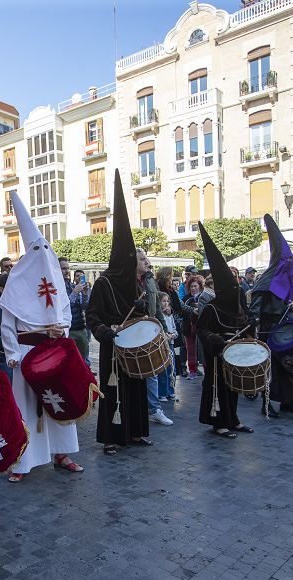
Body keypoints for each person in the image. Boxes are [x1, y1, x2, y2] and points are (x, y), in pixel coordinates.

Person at [0, 191, 83, 483]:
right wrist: (12, 353)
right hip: (25, 356)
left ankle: (62, 453)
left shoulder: (57, 281)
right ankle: (23, 461)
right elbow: (7, 325)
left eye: (46, 249)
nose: (44, 255)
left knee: (59, 401)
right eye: (38, 250)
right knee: (26, 408)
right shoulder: (15, 284)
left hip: (53, 353)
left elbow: (67, 314)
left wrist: (63, 330)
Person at [85, 171, 151, 455]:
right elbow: (93, 316)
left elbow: (143, 314)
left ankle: (136, 432)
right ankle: (110, 437)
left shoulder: (135, 285)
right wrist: (104, 332)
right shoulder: (103, 282)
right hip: (113, 347)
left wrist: (143, 310)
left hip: (134, 346)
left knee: (136, 389)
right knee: (113, 391)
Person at [248, 214, 293, 417]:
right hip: (271, 332)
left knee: (291, 368)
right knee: (272, 372)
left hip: (292, 333)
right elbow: (254, 310)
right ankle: (267, 404)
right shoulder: (265, 282)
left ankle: (289, 402)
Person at [195, 222, 252, 438]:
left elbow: (243, 324)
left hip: (234, 353)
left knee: (234, 388)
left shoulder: (236, 305)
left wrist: (250, 327)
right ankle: (218, 422)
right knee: (218, 388)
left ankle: (233, 419)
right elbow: (201, 330)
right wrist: (217, 341)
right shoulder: (211, 308)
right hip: (218, 355)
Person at [141, 256, 173, 427]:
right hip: (137, 332)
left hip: (151, 332)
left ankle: (154, 409)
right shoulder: (130, 280)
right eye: (142, 260)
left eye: (147, 260)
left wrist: (164, 330)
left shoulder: (150, 280)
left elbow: (157, 308)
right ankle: (143, 410)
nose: (147, 263)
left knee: (152, 372)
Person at [59, 259, 91, 367]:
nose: (66, 271)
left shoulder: (72, 285)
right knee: (70, 362)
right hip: (68, 330)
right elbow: (62, 307)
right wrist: (75, 293)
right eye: (63, 268)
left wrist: (85, 294)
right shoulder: (56, 287)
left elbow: (84, 307)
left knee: (84, 360)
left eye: (68, 268)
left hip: (80, 328)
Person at [181, 277, 207, 379]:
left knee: (203, 350)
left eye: (195, 286)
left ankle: (206, 371)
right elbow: (182, 311)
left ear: (200, 286)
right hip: (188, 327)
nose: (193, 288)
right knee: (190, 350)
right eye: (191, 286)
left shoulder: (204, 297)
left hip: (201, 328)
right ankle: (192, 371)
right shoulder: (186, 298)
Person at [157, 293, 179, 402]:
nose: (166, 303)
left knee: (172, 369)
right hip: (162, 345)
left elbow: (175, 329)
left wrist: (173, 335)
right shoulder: (159, 316)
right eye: (163, 301)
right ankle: (162, 393)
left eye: (167, 301)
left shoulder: (169, 315)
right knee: (162, 370)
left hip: (170, 344)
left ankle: (171, 391)